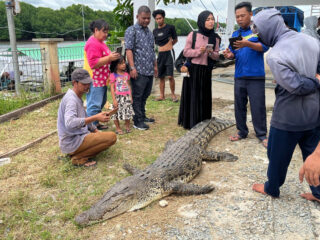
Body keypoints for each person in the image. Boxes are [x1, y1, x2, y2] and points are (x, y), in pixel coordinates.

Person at [250, 9, 320, 200]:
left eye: (259, 32)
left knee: (276, 156)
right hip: (314, 113)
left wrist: (314, 82)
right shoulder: (312, 41)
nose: (259, 36)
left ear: (268, 29)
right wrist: (316, 79)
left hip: (287, 117)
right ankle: (319, 192)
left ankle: (272, 188)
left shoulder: (275, 55)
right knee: (312, 154)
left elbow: (296, 86)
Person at [223, 2, 269, 148]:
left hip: (256, 76)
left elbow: (265, 47)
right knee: (239, 106)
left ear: (250, 14)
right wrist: (229, 54)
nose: (239, 19)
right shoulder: (236, 34)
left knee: (258, 106)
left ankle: (262, 134)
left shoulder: (258, 31)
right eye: (237, 17)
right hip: (239, 76)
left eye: (242, 16)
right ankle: (242, 131)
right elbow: (233, 53)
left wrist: (248, 44)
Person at [57, 69, 117, 167]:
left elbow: (84, 117)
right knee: (112, 137)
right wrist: (95, 117)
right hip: (72, 141)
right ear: (74, 83)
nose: (87, 86)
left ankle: (75, 154)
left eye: (88, 83)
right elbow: (70, 123)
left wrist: (95, 130)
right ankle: (78, 158)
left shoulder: (76, 96)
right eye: (84, 84)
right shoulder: (71, 100)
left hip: (77, 138)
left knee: (105, 139)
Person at [178, 10, 220, 130]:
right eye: (208, 19)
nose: (211, 22)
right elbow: (186, 52)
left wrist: (211, 53)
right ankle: (191, 122)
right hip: (193, 70)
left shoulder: (215, 38)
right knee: (193, 96)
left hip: (206, 70)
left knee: (204, 96)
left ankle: (204, 121)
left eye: (212, 19)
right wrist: (198, 52)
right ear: (202, 21)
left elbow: (217, 56)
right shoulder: (194, 35)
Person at [84, 19, 120, 130]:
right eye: (104, 31)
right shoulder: (92, 43)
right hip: (95, 79)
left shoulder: (99, 42)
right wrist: (109, 58)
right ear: (96, 30)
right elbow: (93, 63)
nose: (106, 34)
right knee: (94, 104)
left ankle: (96, 123)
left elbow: (103, 58)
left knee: (100, 102)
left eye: (107, 32)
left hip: (101, 79)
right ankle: (91, 127)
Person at [125, 6, 157, 131]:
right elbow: (129, 50)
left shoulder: (149, 32)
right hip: (138, 70)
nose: (146, 20)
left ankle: (142, 116)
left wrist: (155, 66)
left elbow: (152, 50)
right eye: (144, 18)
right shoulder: (131, 30)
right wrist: (132, 67)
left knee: (146, 94)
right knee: (137, 96)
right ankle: (137, 121)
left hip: (149, 70)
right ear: (137, 16)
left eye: (148, 18)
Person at [152, 9, 178, 102]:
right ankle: (162, 96)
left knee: (170, 76)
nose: (159, 20)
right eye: (157, 19)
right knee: (161, 76)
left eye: (160, 18)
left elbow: (175, 40)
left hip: (169, 53)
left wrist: (169, 46)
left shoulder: (170, 27)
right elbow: (154, 44)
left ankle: (173, 95)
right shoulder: (154, 31)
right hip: (160, 55)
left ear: (163, 18)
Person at [109, 56, 135, 135]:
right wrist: (114, 100)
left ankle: (127, 126)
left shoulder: (126, 74)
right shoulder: (113, 75)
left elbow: (128, 85)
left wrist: (130, 96)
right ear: (116, 65)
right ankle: (118, 128)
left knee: (127, 112)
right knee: (115, 113)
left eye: (124, 62)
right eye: (121, 63)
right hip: (118, 97)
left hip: (126, 96)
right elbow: (112, 88)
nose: (124, 65)